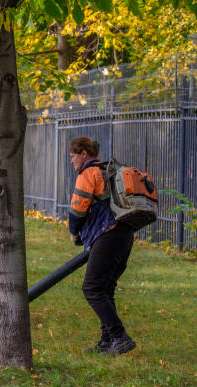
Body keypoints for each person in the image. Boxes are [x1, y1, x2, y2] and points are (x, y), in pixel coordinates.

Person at [68, 136, 136, 355]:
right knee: (105, 289)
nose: (71, 161)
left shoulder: (88, 173)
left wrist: (74, 232)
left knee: (92, 288)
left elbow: (78, 209)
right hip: (124, 234)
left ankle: (120, 337)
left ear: (83, 154)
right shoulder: (108, 171)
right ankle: (107, 342)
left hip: (108, 235)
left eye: (72, 156)